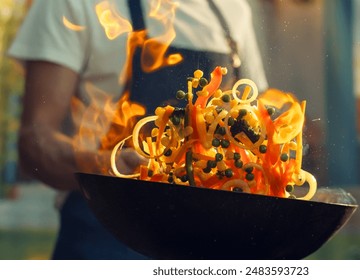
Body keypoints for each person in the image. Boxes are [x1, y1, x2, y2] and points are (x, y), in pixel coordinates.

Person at [8, 0, 268, 259]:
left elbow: (255, 120)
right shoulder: (72, 4)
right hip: (105, 240)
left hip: (210, 242)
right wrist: (108, 165)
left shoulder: (232, 10)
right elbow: (35, 142)